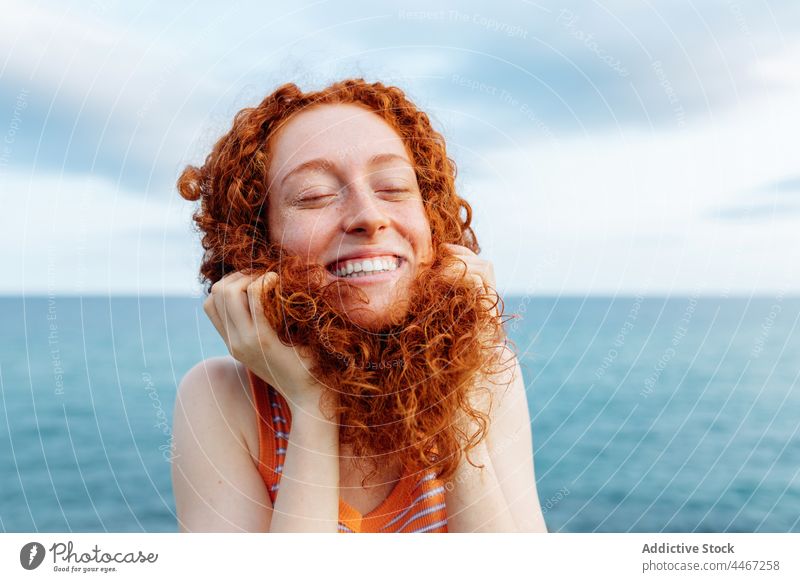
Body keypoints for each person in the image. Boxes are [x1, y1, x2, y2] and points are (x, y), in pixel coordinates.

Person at [172, 78, 548, 533]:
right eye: (313, 195)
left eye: (392, 187)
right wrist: (312, 404)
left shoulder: (485, 372)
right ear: (255, 242)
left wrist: (455, 380)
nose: (370, 216)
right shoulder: (222, 400)